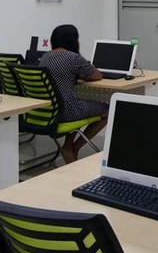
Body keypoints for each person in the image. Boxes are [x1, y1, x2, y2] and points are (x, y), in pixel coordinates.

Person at [39, 24, 109, 164]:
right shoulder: (73, 58)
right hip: (66, 112)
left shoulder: (45, 57)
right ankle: (74, 147)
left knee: (75, 102)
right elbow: (97, 75)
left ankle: (68, 146)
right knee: (108, 110)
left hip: (49, 111)